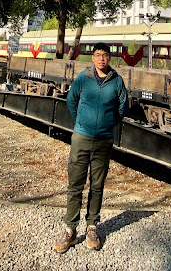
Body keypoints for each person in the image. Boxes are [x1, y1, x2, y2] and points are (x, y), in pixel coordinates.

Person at [53, 42, 129, 253]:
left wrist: (109, 123)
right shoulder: (83, 79)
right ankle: (70, 229)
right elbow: (71, 100)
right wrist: (80, 122)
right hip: (81, 138)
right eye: (97, 55)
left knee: (97, 185)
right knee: (75, 183)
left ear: (109, 58)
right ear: (92, 58)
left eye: (105, 55)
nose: (101, 59)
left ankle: (92, 226)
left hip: (104, 140)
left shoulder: (117, 81)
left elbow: (124, 106)